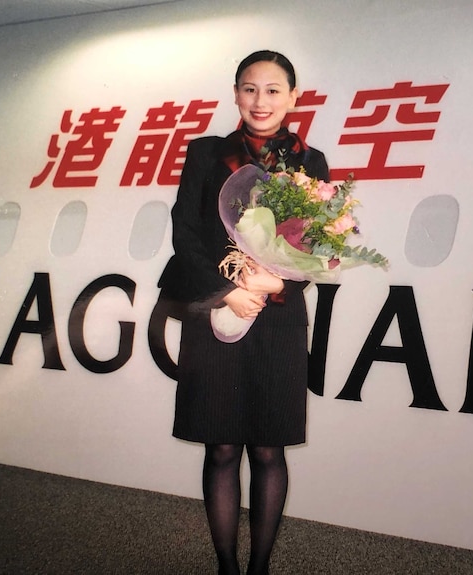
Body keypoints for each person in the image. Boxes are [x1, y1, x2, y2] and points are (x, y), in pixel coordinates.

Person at [157, 50, 330, 575]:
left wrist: (283, 278)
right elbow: (185, 233)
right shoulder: (206, 153)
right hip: (218, 310)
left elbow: (317, 243)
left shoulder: (311, 163)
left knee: (269, 450)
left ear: (294, 98)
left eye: (274, 90)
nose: (261, 101)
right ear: (235, 94)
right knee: (222, 448)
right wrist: (225, 290)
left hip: (276, 318)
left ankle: (259, 569)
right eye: (251, 89)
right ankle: (226, 566)